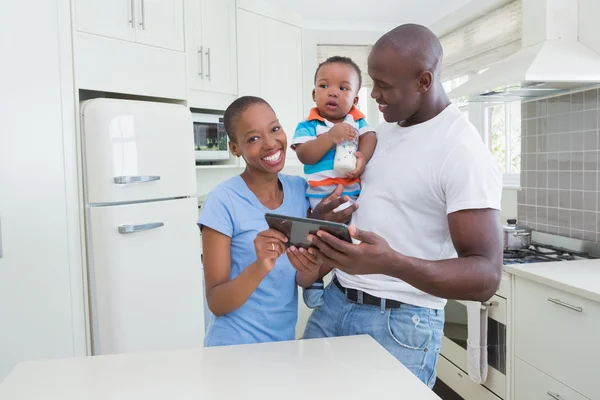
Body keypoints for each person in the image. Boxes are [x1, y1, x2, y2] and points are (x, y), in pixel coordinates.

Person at [301, 24, 504, 389]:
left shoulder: (461, 151)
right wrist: (321, 220)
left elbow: (486, 276)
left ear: (424, 81)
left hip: (398, 324)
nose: (374, 95)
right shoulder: (384, 132)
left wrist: (390, 262)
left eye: (384, 85)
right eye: (372, 82)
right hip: (334, 302)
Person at [198, 96, 355, 347]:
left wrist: (312, 264)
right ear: (235, 148)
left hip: (282, 347)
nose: (271, 143)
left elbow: (301, 280)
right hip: (231, 350)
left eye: (274, 129)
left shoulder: (300, 190)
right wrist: (260, 265)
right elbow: (217, 303)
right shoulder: (222, 200)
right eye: (253, 138)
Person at [292, 56, 377, 211]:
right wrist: (330, 137)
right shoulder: (309, 124)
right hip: (321, 197)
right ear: (313, 94)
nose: (332, 92)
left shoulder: (356, 121)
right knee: (328, 231)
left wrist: (363, 157)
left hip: (355, 194)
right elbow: (305, 155)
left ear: (355, 100)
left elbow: (370, 136)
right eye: (324, 86)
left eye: (343, 88)